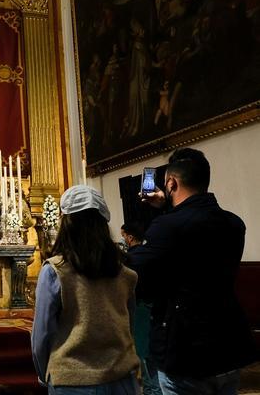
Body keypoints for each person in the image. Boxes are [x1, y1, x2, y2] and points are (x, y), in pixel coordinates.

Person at [128, 148, 256, 395]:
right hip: (227, 342)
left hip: (185, 348)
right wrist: (166, 210)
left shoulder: (167, 226)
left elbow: (140, 273)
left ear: (171, 183)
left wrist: (159, 216)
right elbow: (189, 245)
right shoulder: (234, 223)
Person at [32, 185, 139, 394]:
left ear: (66, 223)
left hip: (72, 379)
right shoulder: (126, 273)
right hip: (121, 376)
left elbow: (42, 335)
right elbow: (129, 326)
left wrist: (46, 372)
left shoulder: (55, 271)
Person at [121, 222, 162, 395]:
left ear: (130, 238)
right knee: (153, 354)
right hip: (156, 306)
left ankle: (153, 389)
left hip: (139, 309)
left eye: (123, 236)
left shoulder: (128, 260)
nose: (122, 239)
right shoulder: (152, 254)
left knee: (143, 355)